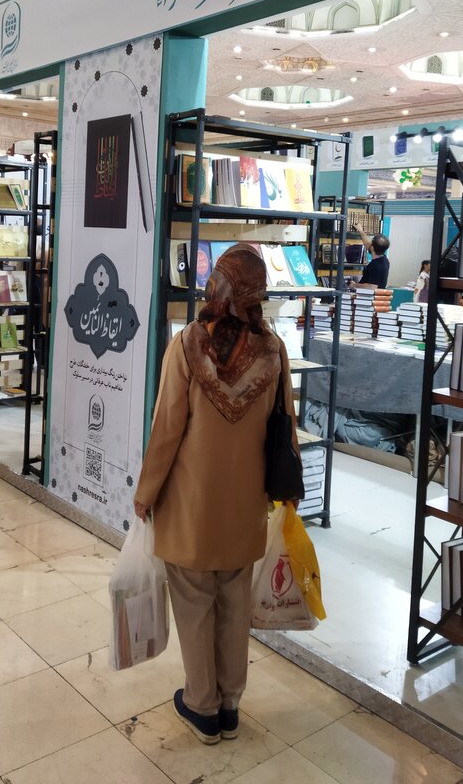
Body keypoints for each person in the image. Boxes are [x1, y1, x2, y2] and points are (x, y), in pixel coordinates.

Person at [134, 244, 297, 745]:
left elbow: (167, 429)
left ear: (218, 288)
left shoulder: (188, 344)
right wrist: (286, 494)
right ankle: (230, 705)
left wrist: (146, 491)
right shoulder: (274, 350)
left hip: (191, 505)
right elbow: (285, 427)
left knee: (193, 601)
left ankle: (202, 707)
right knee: (233, 604)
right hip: (245, 505)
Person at [350, 224, 390, 289]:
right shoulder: (384, 260)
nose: (369, 243)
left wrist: (355, 285)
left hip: (370, 294)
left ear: (372, 248)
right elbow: (368, 243)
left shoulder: (376, 265)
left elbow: (372, 286)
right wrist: (360, 230)